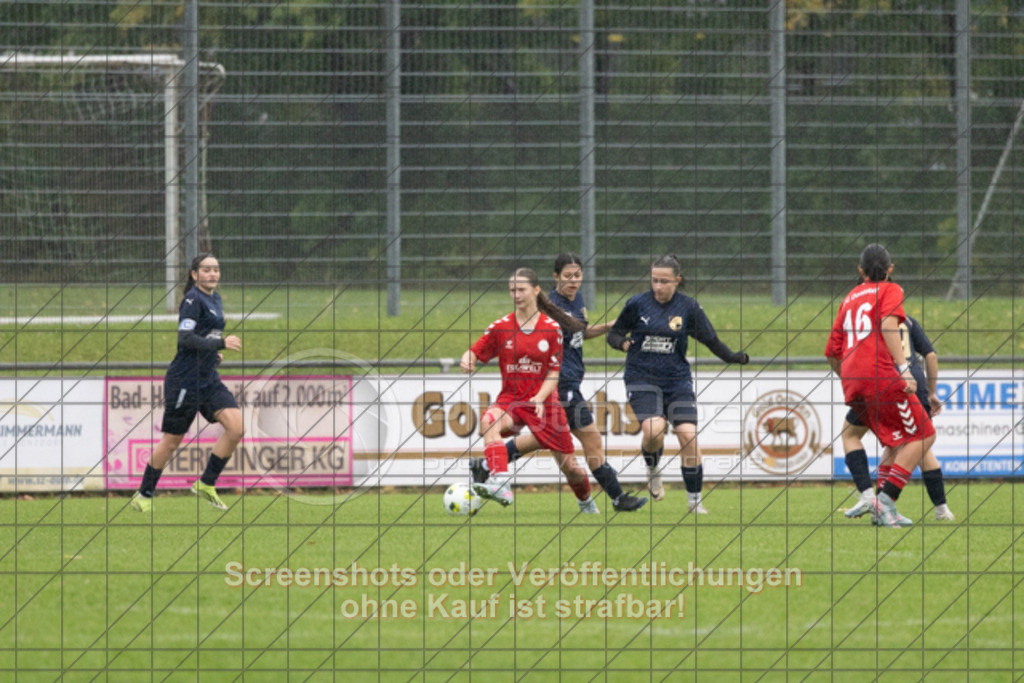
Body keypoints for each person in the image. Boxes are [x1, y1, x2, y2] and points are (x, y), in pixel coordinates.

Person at [469, 253, 648, 513]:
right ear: (555, 277)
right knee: (588, 442)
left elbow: (579, 333)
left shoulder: (577, 302)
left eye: (577, 276)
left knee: (556, 445)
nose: (573, 281)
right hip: (557, 385)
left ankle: (486, 466)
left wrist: (613, 325)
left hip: (570, 382)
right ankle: (618, 497)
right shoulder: (549, 307)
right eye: (567, 276)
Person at [606, 254, 750, 514]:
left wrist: (732, 357)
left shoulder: (688, 307)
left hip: (677, 380)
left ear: (677, 280)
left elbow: (710, 339)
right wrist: (623, 343)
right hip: (641, 378)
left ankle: (695, 502)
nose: (658, 286)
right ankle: (652, 469)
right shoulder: (637, 304)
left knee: (688, 435)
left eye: (664, 281)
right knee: (653, 431)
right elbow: (614, 333)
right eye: (654, 281)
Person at [460, 267, 597, 512]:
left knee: (572, 468)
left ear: (536, 290)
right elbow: (475, 349)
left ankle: (586, 502)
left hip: (545, 404)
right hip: (510, 400)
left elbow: (555, 373)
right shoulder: (501, 327)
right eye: (512, 290)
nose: (516, 294)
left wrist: (540, 397)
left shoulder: (552, 328)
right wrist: (468, 358)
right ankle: (500, 482)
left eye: (521, 289)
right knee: (488, 422)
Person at [824, 244, 936, 528]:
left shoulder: (848, 298)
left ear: (860, 271)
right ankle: (884, 501)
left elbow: (831, 352)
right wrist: (903, 370)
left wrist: (851, 378)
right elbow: (888, 325)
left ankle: (876, 503)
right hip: (881, 375)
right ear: (890, 269)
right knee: (923, 435)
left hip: (853, 379)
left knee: (866, 436)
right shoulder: (891, 289)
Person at [130, 253, 244, 512]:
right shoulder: (192, 299)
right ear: (194, 274)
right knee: (171, 442)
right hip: (185, 381)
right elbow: (185, 339)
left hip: (207, 378)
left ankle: (206, 483)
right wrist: (220, 343)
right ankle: (144, 495)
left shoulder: (214, 298)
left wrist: (212, 354)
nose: (212, 274)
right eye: (206, 270)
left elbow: (202, 337)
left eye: (216, 269)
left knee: (236, 427)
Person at [842, 314, 954, 522]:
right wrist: (931, 392)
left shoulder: (867, 320)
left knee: (909, 443)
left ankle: (880, 502)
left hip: (887, 381)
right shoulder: (908, 320)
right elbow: (930, 355)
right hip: (911, 382)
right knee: (913, 444)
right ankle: (939, 509)